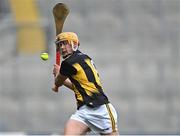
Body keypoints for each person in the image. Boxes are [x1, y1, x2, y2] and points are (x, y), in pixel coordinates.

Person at [52, 32, 119, 135]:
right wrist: (59, 75)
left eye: (65, 43)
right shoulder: (84, 57)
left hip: (101, 110)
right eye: (60, 44)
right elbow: (78, 87)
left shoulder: (69, 62)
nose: (62, 47)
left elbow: (58, 81)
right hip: (84, 111)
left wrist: (58, 75)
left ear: (74, 44)